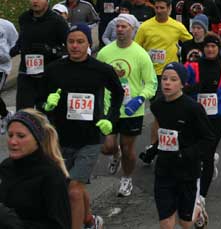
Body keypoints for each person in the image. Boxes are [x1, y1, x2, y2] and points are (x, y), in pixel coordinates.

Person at [41, 24, 124, 229]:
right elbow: (40, 97)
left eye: (80, 42)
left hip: (90, 138)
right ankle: (90, 220)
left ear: (89, 43)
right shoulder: (54, 69)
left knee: (74, 190)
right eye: (71, 42)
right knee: (68, 187)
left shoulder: (101, 69)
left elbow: (118, 93)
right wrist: (46, 103)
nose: (75, 46)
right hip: (61, 138)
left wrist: (109, 119)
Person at [144, 62, 215, 228]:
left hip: (187, 171)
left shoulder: (193, 108)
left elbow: (209, 139)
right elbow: (164, 134)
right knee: (166, 223)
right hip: (164, 170)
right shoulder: (157, 106)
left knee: (185, 222)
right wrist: (153, 151)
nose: (167, 83)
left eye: (173, 79)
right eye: (165, 79)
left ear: (182, 83)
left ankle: (198, 209)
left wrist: (186, 154)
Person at [96, 14, 157, 198]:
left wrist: (140, 99)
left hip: (132, 109)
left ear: (132, 29)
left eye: (124, 27)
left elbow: (151, 83)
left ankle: (127, 178)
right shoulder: (105, 53)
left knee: (128, 147)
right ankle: (115, 155)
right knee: (107, 146)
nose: (120, 29)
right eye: (118, 26)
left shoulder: (140, 54)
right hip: (109, 108)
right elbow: (96, 78)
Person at [184, 34, 221, 217]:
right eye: (207, 46)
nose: (210, 49)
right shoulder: (192, 66)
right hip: (196, 116)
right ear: (203, 49)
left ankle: (202, 195)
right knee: (196, 154)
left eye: (214, 46)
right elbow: (183, 86)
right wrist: (193, 89)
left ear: (219, 49)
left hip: (217, 117)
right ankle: (194, 184)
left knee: (207, 155)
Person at [0, 109, 71, 228]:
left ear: (37, 139)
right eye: (10, 135)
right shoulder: (6, 166)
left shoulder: (51, 175)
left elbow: (60, 225)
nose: (12, 141)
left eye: (21, 136)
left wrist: (11, 222)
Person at [12, 0, 70, 110]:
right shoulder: (24, 18)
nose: (35, 1)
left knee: (45, 112)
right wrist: (16, 48)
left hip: (47, 74)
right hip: (26, 73)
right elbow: (23, 37)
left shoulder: (57, 21)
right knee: (23, 112)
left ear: (47, 2)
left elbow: (70, 46)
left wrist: (52, 50)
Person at [135, 0, 193, 97]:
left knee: (169, 103)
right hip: (150, 72)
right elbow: (136, 48)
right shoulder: (145, 26)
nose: (159, 11)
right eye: (156, 7)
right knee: (155, 103)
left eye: (162, 8)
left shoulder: (177, 26)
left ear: (169, 8)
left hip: (170, 72)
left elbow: (191, 43)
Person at [0, 17, 18, 134]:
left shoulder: (6, 25)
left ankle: (6, 116)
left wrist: (6, 56)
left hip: (1, 67)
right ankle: (6, 114)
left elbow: (15, 43)